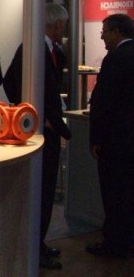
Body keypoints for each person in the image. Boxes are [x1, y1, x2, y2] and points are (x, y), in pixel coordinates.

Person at [3, 3, 72, 270]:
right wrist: (32, 117)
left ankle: (39, 244)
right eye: (62, 25)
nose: (63, 30)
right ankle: (34, 247)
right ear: (56, 24)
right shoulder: (33, 48)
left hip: (47, 132)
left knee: (45, 191)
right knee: (39, 192)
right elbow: (10, 81)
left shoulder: (50, 51)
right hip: (40, 133)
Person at [85, 13, 134, 259]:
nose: (102, 37)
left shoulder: (115, 59)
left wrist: (96, 139)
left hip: (116, 142)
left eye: (104, 32)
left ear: (117, 32)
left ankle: (114, 244)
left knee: (114, 193)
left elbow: (103, 102)